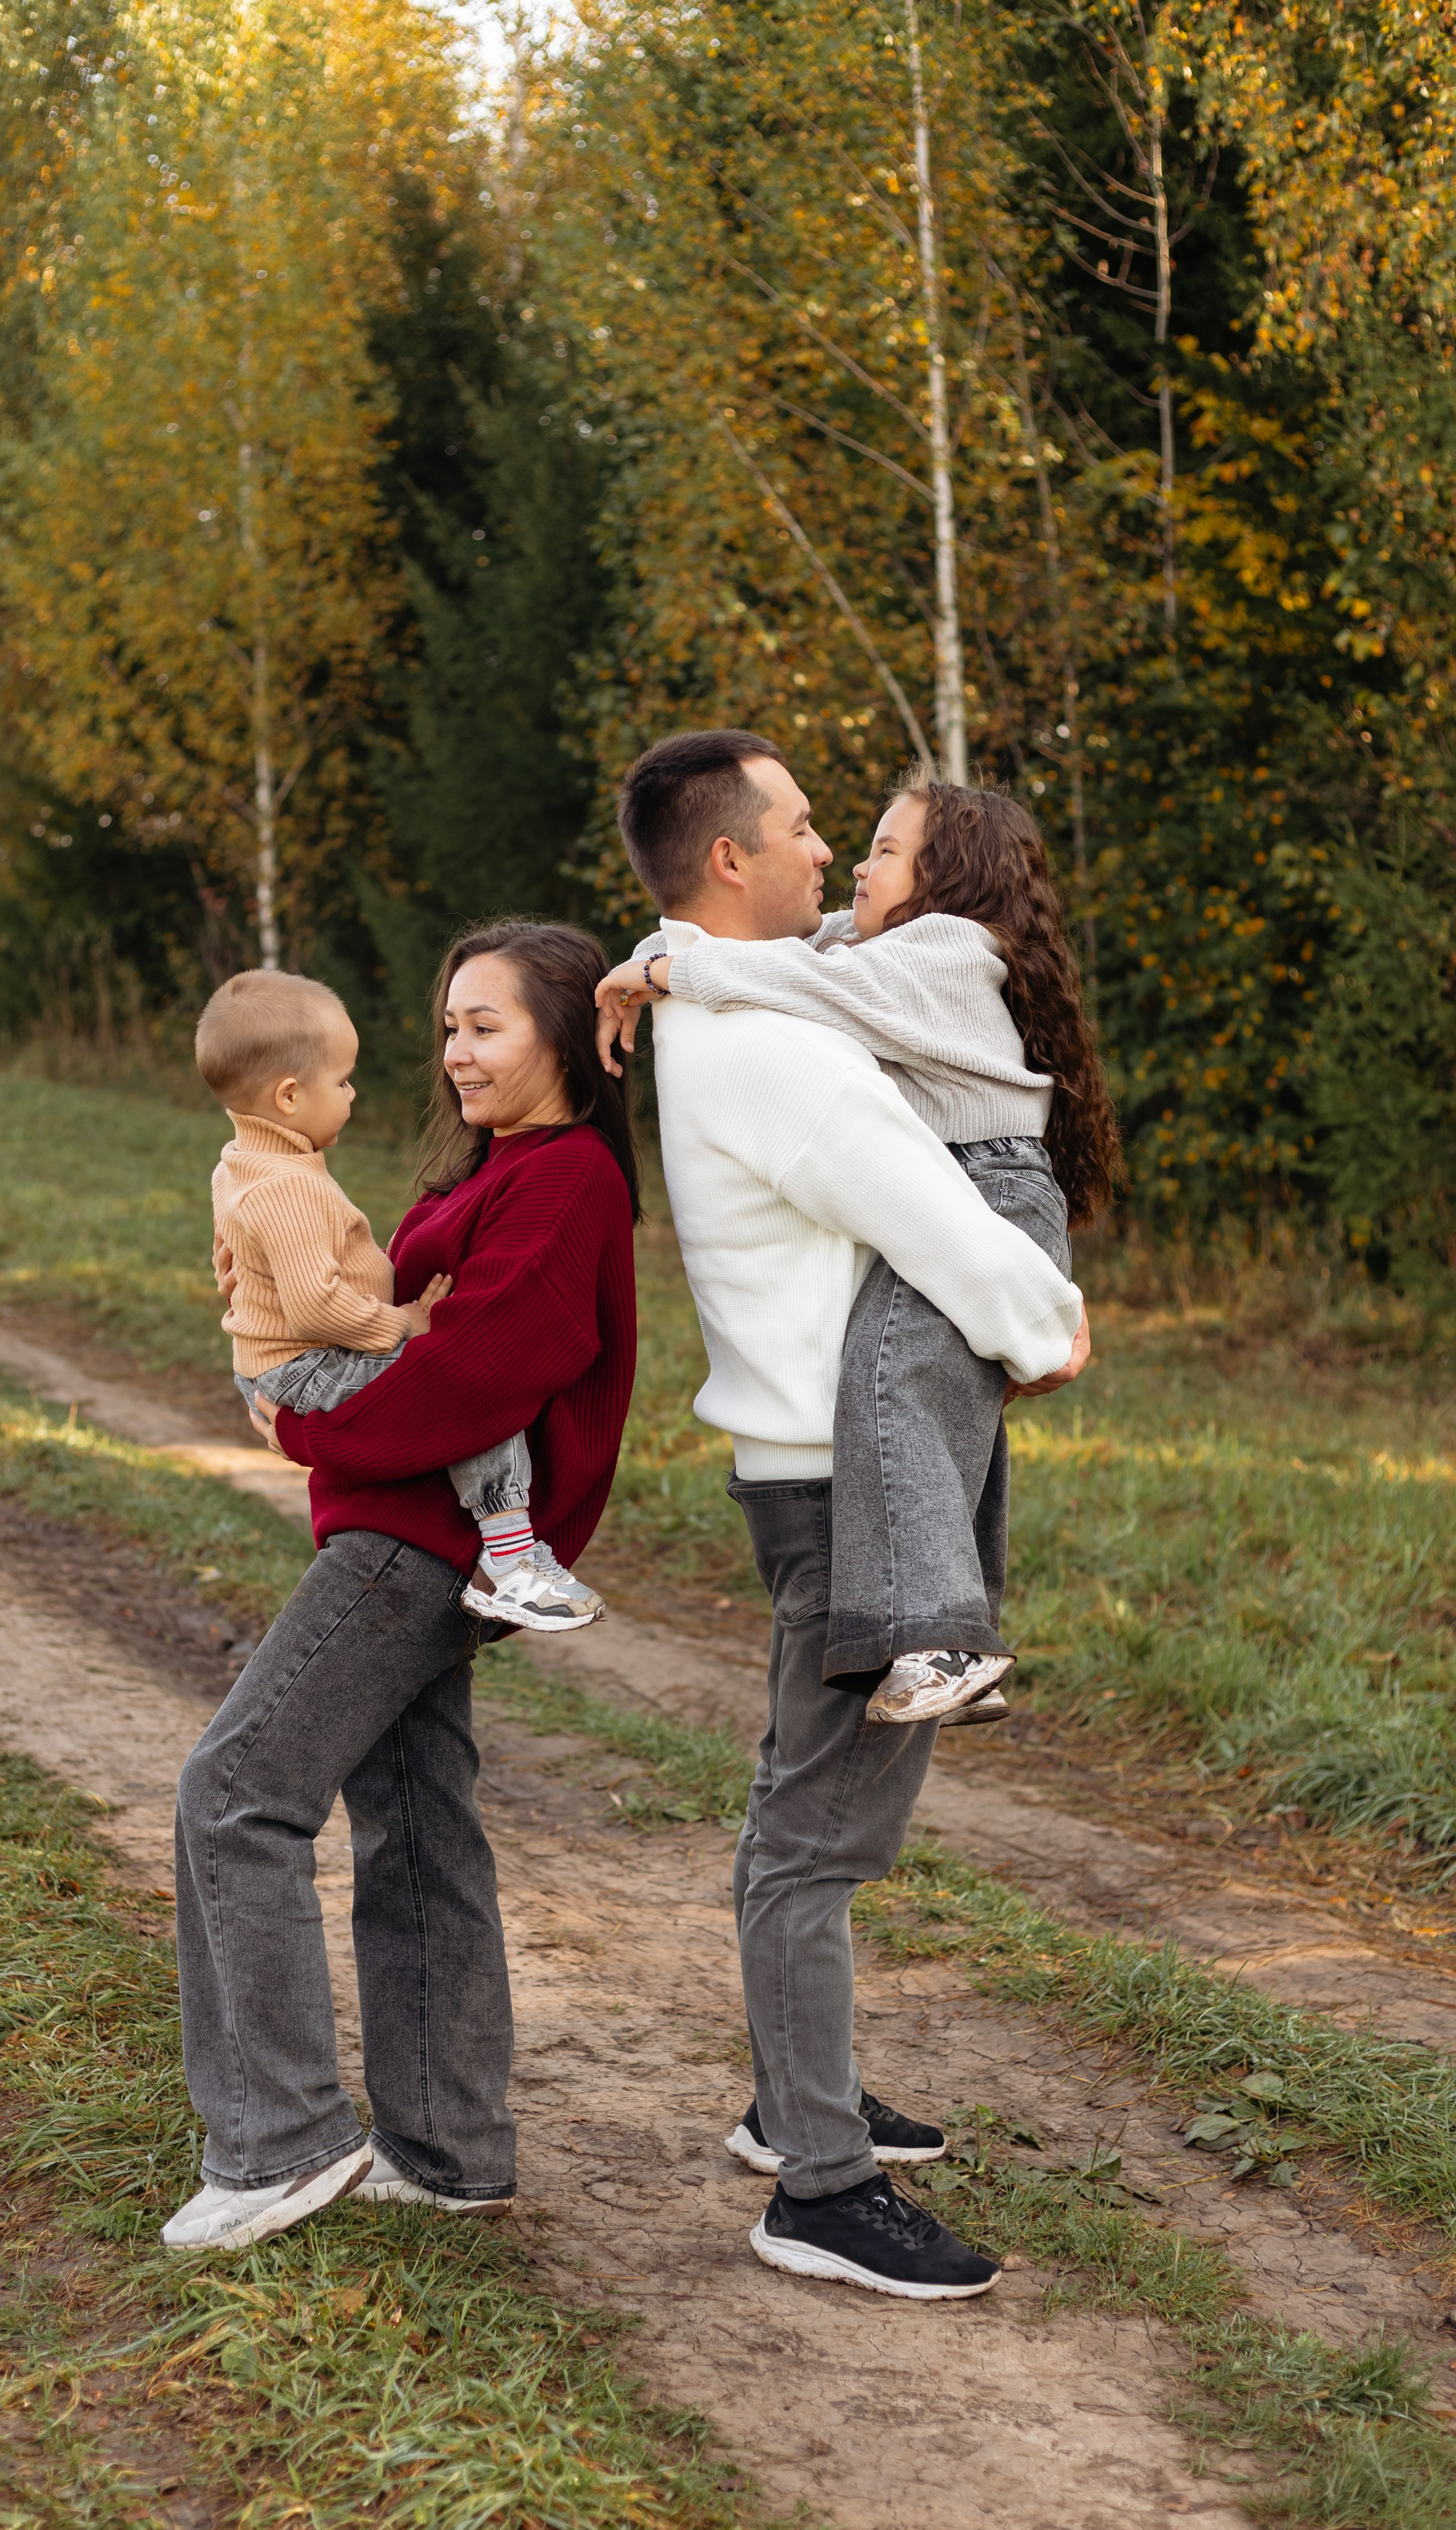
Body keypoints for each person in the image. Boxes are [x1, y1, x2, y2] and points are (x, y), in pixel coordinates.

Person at [606, 729, 1088, 2304]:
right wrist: (1047, 1325)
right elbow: (934, 1217)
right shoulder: (774, 1051)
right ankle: (816, 2183)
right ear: (731, 858)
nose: (827, 854)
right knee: (817, 1840)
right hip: (840, 1485)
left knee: (808, 1810)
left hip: (831, 1465)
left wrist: (659, 957)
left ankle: (790, 2097)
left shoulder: (739, 1005)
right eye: (806, 827)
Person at [163, 922, 640, 2251]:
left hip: (415, 1545)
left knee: (236, 1791)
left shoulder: (565, 1182)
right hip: (397, 1530)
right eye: (447, 1028)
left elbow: (480, 1373)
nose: (455, 1053)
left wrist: (304, 1430)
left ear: (560, 1033)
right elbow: (352, 1297)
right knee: (415, 1820)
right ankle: (443, 2149)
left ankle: (277, 2143)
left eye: (484, 1025)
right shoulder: (493, 1169)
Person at [598, 770, 1118, 1726]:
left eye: (884, 850)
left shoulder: (951, 949)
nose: (850, 862)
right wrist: (657, 958)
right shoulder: (883, 945)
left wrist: (671, 976)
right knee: (917, 1391)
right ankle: (950, 1634)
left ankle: (948, 1638)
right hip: (974, 1185)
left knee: (895, 1379)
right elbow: (760, 951)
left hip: (992, 1189)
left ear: (947, 879)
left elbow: (793, 976)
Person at [195, 966, 604, 1633]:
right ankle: (511, 1560)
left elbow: (239, 1250)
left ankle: (509, 1554)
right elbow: (316, 1309)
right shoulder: (285, 1187)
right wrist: (400, 1325)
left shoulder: (244, 1161)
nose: (353, 1096)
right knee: (471, 1398)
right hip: (305, 1363)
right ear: (291, 1096)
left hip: (280, 1364)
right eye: (343, 1081)